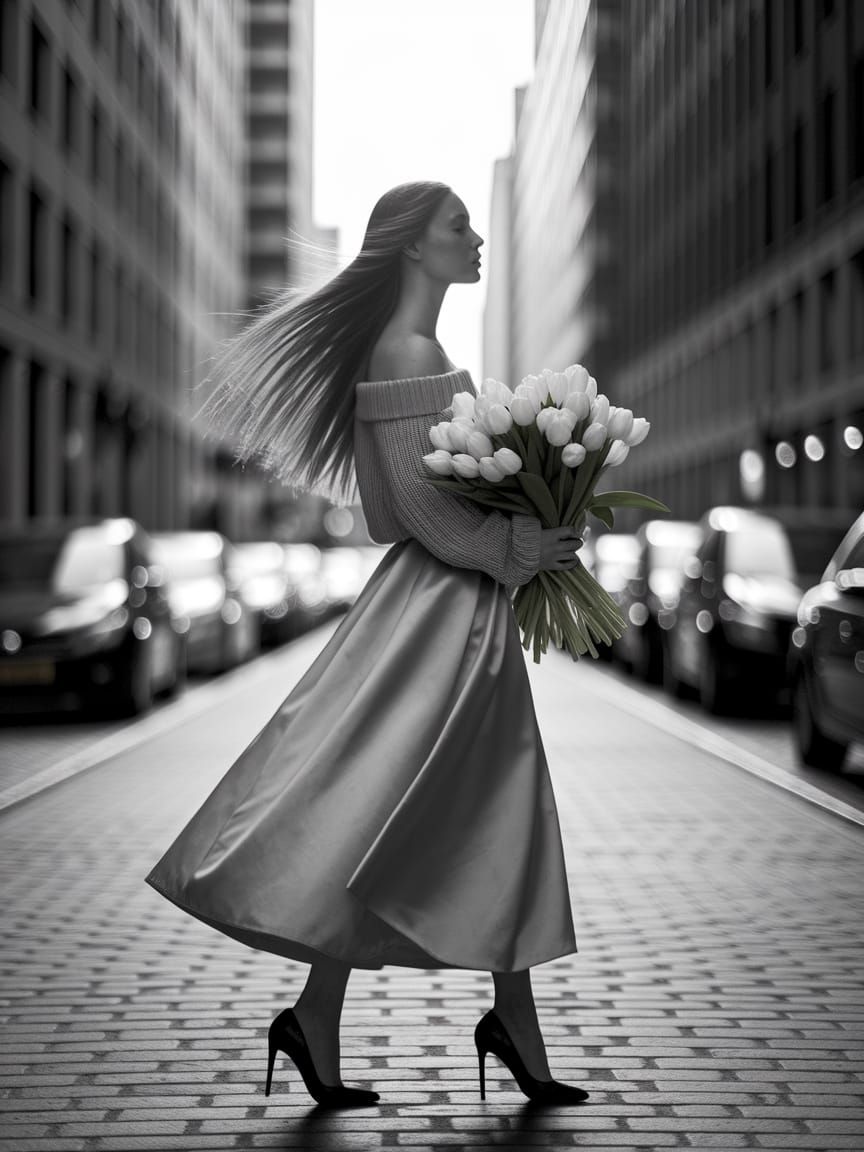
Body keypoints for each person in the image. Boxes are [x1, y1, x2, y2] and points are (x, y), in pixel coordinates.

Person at [145, 181, 588, 1108]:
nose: (475, 239)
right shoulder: (410, 351)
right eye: (457, 226)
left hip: (446, 613)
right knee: (432, 805)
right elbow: (422, 515)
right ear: (413, 247)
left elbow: (390, 511)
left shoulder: (412, 351)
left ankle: (356, 1017)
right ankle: (488, 1022)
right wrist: (524, 546)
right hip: (445, 620)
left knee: (455, 806)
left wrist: (520, 527)